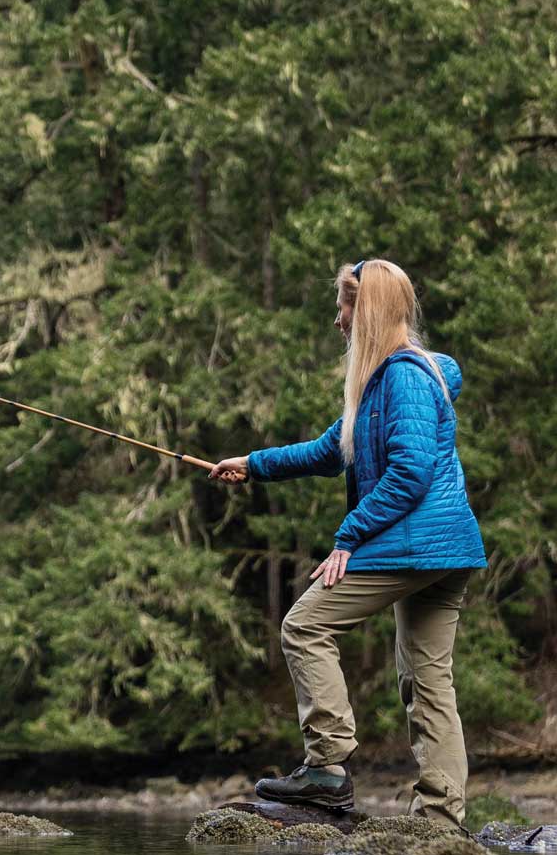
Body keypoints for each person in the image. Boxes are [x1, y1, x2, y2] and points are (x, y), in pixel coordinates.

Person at [208, 259, 485, 825]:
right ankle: (440, 821)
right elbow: (327, 451)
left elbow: (410, 473)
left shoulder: (404, 378)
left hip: (417, 541)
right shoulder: (383, 381)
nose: (339, 320)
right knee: (428, 678)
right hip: (445, 548)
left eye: (345, 306)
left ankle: (328, 767)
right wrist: (252, 465)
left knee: (305, 626)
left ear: (372, 310)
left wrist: (349, 537)